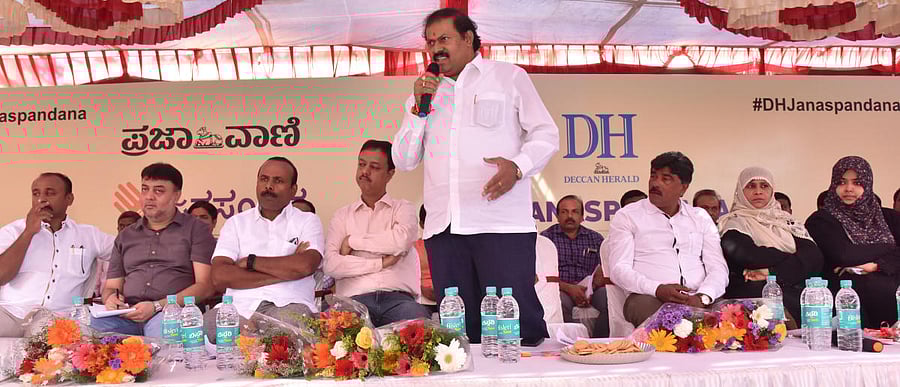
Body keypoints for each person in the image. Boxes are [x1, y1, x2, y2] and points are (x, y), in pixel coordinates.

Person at [391, 8, 558, 344]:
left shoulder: (507, 77)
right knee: (461, 335)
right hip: (445, 229)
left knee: (517, 328)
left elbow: (546, 134)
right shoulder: (422, 95)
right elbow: (404, 159)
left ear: (467, 38)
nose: (436, 48)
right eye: (429, 42)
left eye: (444, 39)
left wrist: (518, 166)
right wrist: (419, 109)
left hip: (500, 224)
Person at [206, 157, 323, 341]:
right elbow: (219, 276)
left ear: (293, 190)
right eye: (264, 179)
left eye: (278, 181)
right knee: (209, 323)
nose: (269, 186)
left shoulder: (307, 221)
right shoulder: (236, 223)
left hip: (288, 306)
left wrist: (251, 262)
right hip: (238, 308)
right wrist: (286, 270)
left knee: (291, 327)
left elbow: (305, 266)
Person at [607, 152, 729, 327]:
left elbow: (718, 267)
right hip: (651, 299)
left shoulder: (699, 217)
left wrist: (703, 296)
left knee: (737, 315)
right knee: (643, 307)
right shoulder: (628, 216)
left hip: (698, 299)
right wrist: (657, 289)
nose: (655, 183)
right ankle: (692, 330)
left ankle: (695, 329)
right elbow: (619, 269)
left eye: (666, 179)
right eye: (653, 176)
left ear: (683, 187)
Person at [94, 163, 216, 338]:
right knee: (87, 331)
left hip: (172, 312)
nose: (149, 197)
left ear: (176, 196)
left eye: (158, 191)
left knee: (161, 331)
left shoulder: (196, 230)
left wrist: (157, 306)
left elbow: (205, 286)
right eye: (145, 189)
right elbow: (112, 286)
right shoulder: (126, 235)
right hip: (127, 314)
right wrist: (110, 299)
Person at [324, 140, 428, 327]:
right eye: (361, 164)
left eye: (374, 167)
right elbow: (332, 265)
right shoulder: (342, 216)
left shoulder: (403, 208)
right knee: (331, 330)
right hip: (352, 302)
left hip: (399, 301)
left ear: (390, 174)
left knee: (419, 326)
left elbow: (400, 241)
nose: (365, 172)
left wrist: (352, 241)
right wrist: (381, 262)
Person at [0, 173, 115, 337]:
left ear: (69, 199)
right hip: (10, 312)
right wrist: (28, 232)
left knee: (49, 343)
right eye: (36, 193)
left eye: (50, 193)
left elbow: (128, 252)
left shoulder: (89, 236)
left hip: (55, 318)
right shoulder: (13, 231)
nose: (41, 199)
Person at [718, 167, 823, 326]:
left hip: (791, 291)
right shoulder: (734, 222)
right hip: (755, 295)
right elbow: (750, 256)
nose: (758, 191)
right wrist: (793, 258)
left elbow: (814, 259)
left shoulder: (787, 221)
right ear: (740, 190)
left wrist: (770, 271)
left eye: (764, 186)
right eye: (751, 186)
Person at [805, 156, 900, 328]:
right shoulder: (821, 220)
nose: (849, 189)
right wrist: (890, 246)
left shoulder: (889, 217)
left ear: (868, 184)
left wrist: (876, 265)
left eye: (857, 183)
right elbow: (844, 254)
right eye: (842, 182)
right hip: (848, 301)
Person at [540, 195, 608, 337]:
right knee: (559, 302)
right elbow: (541, 276)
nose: (569, 216)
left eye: (575, 212)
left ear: (582, 216)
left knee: (608, 299)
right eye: (564, 212)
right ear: (557, 216)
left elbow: (604, 267)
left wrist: (592, 287)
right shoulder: (546, 239)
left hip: (591, 290)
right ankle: (572, 344)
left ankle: (599, 343)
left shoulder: (595, 238)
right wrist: (569, 288)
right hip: (561, 288)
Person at [415, 205, 437, 315]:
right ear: (421, 224)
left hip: (449, 297)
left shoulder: (452, 248)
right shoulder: (413, 248)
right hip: (422, 299)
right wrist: (422, 288)